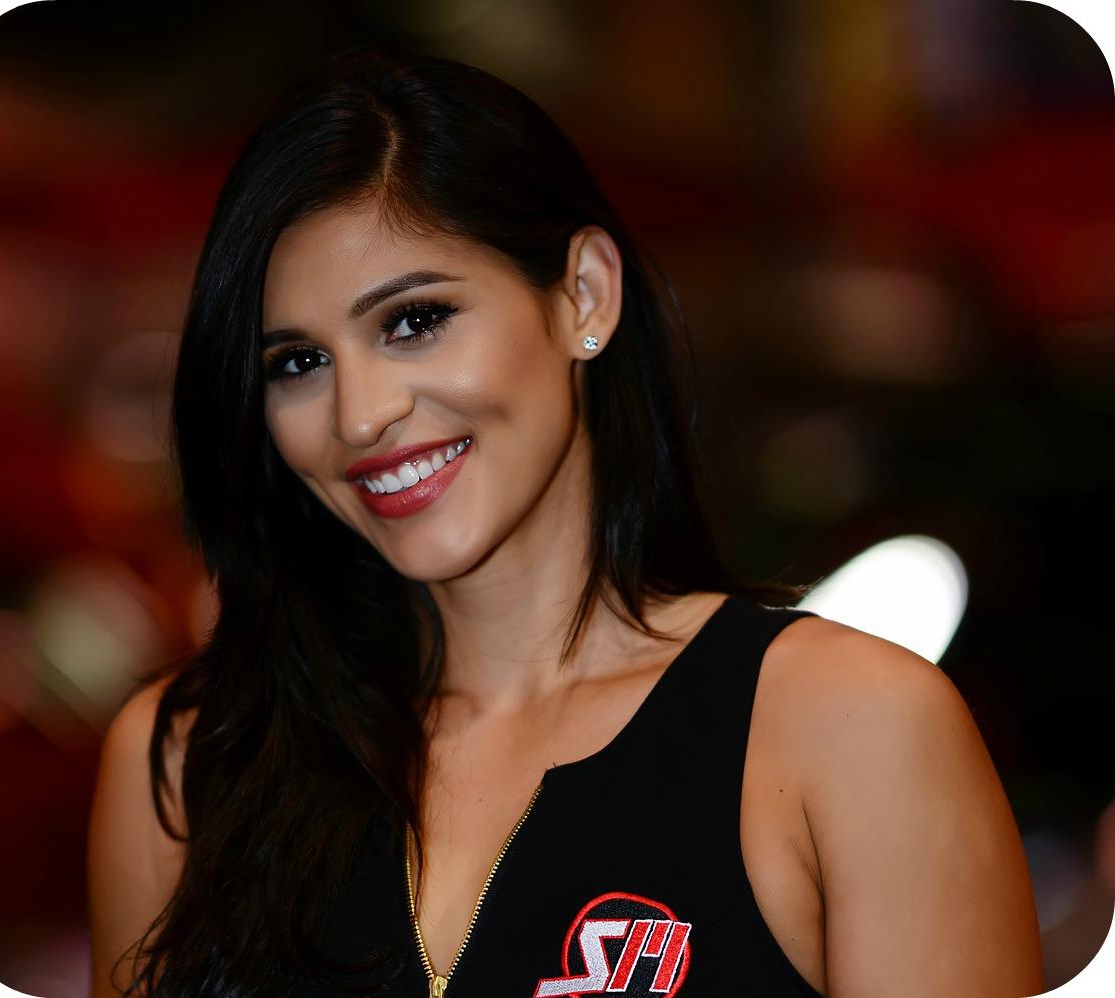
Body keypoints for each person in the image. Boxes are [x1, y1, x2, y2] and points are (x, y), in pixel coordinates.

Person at [86, 46, 1044, 998]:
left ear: (584, 293)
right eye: (297, 363)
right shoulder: (187, 765)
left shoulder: (851, 725)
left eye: (414, 320)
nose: (360, 416)